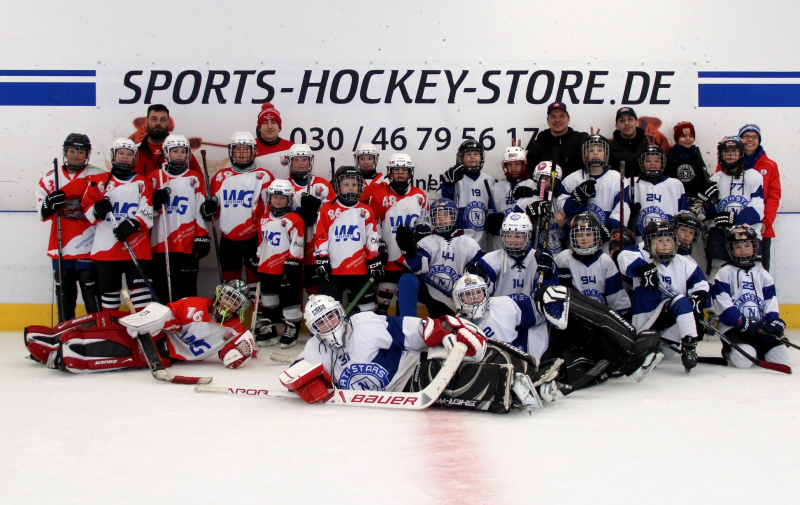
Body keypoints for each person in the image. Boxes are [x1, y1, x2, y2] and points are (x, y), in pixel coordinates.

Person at [278, 294, 549, 413]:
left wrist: (445, 328)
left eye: (332, 317)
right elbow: (296, 375)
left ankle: (528, 371)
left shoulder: (366, 324)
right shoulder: (316, 348)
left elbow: (414, 331)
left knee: (451, 367)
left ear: (341, 313)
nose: (330, 326)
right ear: (314, 329)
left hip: (410, 375)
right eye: (321, 323)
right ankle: (509, 386)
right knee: (455, 388)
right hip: (395, 399)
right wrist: (305, 384)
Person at [24, 280, 258, 374]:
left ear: (241, 308)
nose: (228, 303)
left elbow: (230, 359)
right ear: (219, 294)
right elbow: (167, 314)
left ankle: (63, 352)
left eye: (235, 301)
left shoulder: (235, 331)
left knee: (114, 344)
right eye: (227, 296)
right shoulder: (194, 305)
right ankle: (52, 336)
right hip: (158, 334)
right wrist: (150, 321)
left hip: (165, 353)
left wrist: (244, 353)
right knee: (110, 320)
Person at [616, 220, 709, 374]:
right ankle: (681, 346)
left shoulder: (683, 262)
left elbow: (701, 285)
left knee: (667, 353)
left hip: (670, 325)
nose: (665, 244)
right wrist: (642, 269)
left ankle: (684, 345)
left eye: (668, 240)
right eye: (659, 241)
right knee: (680, 300)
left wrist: (697, 299)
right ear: (649, 243)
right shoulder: (644, 257)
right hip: (647, 321)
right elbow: (623, 256)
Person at [36, 133, 104, 321]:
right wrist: (48, 205)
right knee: (64, 288)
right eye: (72, 150)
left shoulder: (98, 174)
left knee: (90, 285)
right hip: (61, 244)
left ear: (87, 154)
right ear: (65, 152)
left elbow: (107, 204)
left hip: (90, 243)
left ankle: (97, 328)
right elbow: (41, 210)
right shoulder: (51, 178)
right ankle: (64, 329)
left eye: (81, 151)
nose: (76, 155)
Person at [82, 138, 154, 311]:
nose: (124, 157)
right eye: (121, 153)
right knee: (109, 294)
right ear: (113, 156)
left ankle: (144, 326)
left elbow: (148, 209)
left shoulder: (142, 181)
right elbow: (86, 208)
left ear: (134, 158)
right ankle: (111, 326)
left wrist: (132, 224)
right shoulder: (98, 181)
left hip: (137, 246)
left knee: (141, 296)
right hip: (106, 248)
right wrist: (97, 209)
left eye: (129, 154)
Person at [202, 132, 274, 299]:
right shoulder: (220, 176)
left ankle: (256, 312)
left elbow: (270, 210)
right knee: (230, 286)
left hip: (254, 238)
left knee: (255, 281)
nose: (241, 153)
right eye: (238, 149)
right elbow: (214, 212)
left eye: (246, 149)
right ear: (231, 151)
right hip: (229, 239)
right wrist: (208, 208)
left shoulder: (264, 176)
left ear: (253, 151)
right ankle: (233, 313)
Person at [710, 225, 789, 368]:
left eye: (747, 245)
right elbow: (723, 305)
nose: (743, 251)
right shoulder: (724, 273)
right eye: (738, 247)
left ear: (754, 247)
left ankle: (760, 349)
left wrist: (773, 322)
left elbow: (770, 301)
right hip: (734, 328)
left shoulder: (763, 274)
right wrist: (741, 322)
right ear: (731, 249)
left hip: (760, 327)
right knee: (743, 361)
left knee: (781, 357)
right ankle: (729, 351)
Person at [396, 197, 482, 318]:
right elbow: (418, 268)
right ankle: (407, 323)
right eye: (437, 216)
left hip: (458, 299)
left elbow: (478, 278)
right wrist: (409, 251)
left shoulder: (469, 244)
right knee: (407, 278)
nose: (441, 219)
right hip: (434, 293)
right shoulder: (426, 242)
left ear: (454, 216)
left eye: (445, 215)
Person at [149, 134, 210, 304]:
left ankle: (186, 318)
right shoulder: (155, 177)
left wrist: (202, 236)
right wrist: (154, 204)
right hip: (160, 244)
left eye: (183, 151)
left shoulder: (194, 178)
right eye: (175, 151)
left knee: (187, 289)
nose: (179, 155)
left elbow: (200, 209)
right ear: (166, 153)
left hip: (187, 243)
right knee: (162, 289)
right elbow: (144, 211)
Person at [365, 153, 427, 315]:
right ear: (389, 172)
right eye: (396, 170)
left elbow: (424, 223)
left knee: (404, 310)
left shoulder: (419, 195)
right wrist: (378, 247)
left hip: (410, 260)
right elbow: (372, 224)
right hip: (388, 259)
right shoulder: (378, 195)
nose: (400, 174)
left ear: (410, 173)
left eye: (404, 170)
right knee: (381, 308)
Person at [314, 166, 382, 313]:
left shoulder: (366, 210)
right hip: (334, 269)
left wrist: (374, 258)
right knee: (329, 309)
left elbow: (372, 238)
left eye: (354, 184)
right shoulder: (326, 209)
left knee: (368, 308)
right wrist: (322, 257)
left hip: (360, 269)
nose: (350, 188)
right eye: (346, 184)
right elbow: (321, 235)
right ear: (338, 187)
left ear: (360, 187)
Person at [700, 136, 764, 277]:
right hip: (720, 236)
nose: (730, 155)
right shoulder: (715, 178)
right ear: (720, 155)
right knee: (717, 276)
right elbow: (711, 214)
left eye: (734, 151)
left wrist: (735, 219)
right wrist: (706, 203)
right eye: (726, 152)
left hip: (748, 237)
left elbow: (758, 210)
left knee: (753, 276)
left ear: (741, 153)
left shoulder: (754, 176)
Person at [251, 180, 305, 348]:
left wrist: (293, 260)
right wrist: (257, 257)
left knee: (289, 299)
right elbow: (262, 241)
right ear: (269, 198)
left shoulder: (294, 219)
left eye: (282, 198)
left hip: (287, 268)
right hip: (267, 267)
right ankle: (270, 328)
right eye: (275, 197)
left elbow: (298, 242)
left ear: (289, 200)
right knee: (269, 300)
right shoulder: (264, 219)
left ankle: (292, 328)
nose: (278, 200)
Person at [555, 212, 630, 315]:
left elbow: (617, 300)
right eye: (579, 235)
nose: (584, 239)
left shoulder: (605, 262)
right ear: (573, 237)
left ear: (596, 235)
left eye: (588, 234)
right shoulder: (564, 258)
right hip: (572, 317)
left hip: (600, 318)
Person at [284, 144, 335, 294]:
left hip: (316, 244)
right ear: (290, 162)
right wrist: (298, 215)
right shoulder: (284, 185)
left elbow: (334, 213)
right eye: (296, 160)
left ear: (310, 161)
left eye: (304, 159)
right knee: (291, 292)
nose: (300, 163)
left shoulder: (322, 185)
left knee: (316, 290)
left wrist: (318, 208)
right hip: (291, 246)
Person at [558, 134, 627, 244]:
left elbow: (623, 208)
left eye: (599, 150)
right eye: (591, 150)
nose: (595, 153)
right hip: (579, 240)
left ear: (605, 154)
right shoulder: (572, 179)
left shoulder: (617, 178)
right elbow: (563, 211)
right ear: (584, 154)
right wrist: (576, 200)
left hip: (606, 242)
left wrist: (608, 230)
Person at [472, 212, 558, 297]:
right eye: (508, 236)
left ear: (527, 236)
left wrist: (547, 277)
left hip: (530, 307)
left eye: (517, 236)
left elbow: (547, 297)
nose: (512, 241)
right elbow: (480, 295)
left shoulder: (540, 259)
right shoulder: (489, 260)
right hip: (500, 306)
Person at [737, 124, 781, 271]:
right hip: (735, 228)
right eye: (746, 136)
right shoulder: (727, 162)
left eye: (754, 137)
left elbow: (773, 197)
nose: (750, 140)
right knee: (734, 271)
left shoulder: (770, 165)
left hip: (761, 229)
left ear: (759, 140)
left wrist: (766, 222)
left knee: (760, 271)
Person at [438, 139, 495, 250]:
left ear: (481, 157)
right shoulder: (454, 178)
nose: (472, 157)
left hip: (481, 242)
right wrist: (448, 185)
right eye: (468, 154)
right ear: (461, 158)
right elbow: (441, 202)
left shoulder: (489, 179)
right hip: (458, 240)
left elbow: (491, 210)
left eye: (476, 154)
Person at [626, 144, 687, 239]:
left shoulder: (675, 184)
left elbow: (683, 215)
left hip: (667, 240)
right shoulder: (631, 182)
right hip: (639, 239)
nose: (652, 164)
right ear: (641, 163)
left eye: (657, 161)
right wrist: (630, 214)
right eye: (648, 161)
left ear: (662, 163)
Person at [485, 146, 535, 251]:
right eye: (509, 164)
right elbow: (489, 213)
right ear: (504, 166)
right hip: (500, 242)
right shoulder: (496, 188)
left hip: (524, 239)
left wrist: (533, 192)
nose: (513, 167)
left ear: (523, 164)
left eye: (517, 164)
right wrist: (491, 221)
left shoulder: (532, 185)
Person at [133, 104, 202, 177]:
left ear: (168, 123)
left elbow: (198, 180)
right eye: (154, 119)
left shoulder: (183, 153)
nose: (158, 123)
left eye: (163, 120)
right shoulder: (134, 152)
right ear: (146, 122)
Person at [525, 101, 589, 178]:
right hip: (547, 185)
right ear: (548, 121)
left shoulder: (581, 139)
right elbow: (530, 172)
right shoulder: (537, 145)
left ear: (568, 119)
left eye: (562, 116)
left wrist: (595, 144)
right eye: (553, 117)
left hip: (576, 185)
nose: (557, 120)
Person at [665, 121, 709, 210]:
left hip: (696, 201)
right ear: (677, 138)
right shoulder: (670, 157)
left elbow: (703, 178)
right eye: (683, 136)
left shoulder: (697, 155)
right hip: (676, 200)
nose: (688, 139)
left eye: (691, 136)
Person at [254, 102, 294, 180]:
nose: (269, 127)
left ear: (279, 127)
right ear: (259, 128)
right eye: (265, 122)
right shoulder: (250, 148)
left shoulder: (291, 148)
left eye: (273, 122)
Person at [609, 107, 650, 177]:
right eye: (622, 121)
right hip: (619, 183)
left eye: (630, 119)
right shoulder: (610, 147)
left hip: (645, 182)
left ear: (636, 122)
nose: (626, 123)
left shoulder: (649, 142)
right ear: (617, 126)